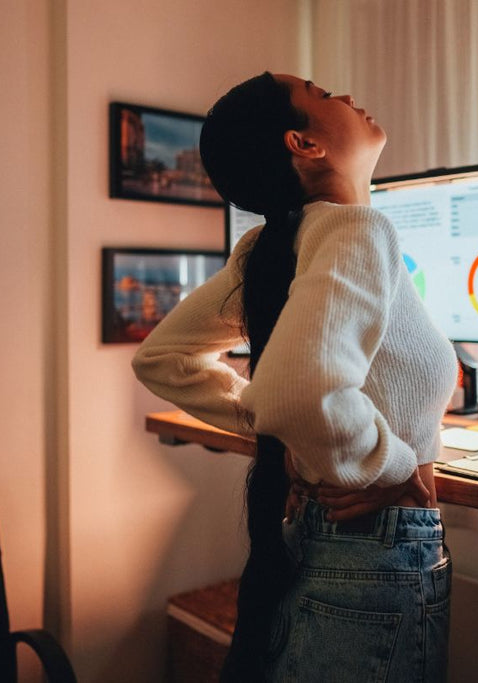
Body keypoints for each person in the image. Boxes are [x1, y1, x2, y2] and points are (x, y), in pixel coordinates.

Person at [132, 72, 458, 682]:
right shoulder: (358, 229)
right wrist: (386, 467)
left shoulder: (280, 245)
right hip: (375, 546)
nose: (346, 94)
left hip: (326, 543)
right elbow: (297, 388)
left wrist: (294, 432)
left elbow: (164, 359)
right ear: (303, 144)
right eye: (320, 91)